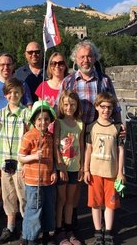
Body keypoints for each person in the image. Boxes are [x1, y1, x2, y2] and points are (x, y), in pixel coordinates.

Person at [60, 40, 123, 226]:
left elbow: (115, 106)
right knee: (75, 175)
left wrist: (119, 127)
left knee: (96, 177)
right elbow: (60, 108)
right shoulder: (68, 80)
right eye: (82, 57)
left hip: (98, 135)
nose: (86, 60)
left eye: (89, 56)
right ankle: (72, 218)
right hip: (74, 134)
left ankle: (101, 219)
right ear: (76, 59)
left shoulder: (104, 80)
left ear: (95, 58)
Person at [0, 77, 29, 245]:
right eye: (10, 92)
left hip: (21, 164)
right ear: (5, 95)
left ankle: (27, 230)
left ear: (22, 94)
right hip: (6, 162)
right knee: (8, 196)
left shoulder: (26, 113)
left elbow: (29, 137)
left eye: (17, 92)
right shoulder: (0, 114)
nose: (13, 95)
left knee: (24, 196)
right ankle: (10, 228)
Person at [83, 92, 125, 245]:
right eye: (103, 107)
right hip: (95, 172)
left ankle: (108, 231)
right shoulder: (91, 127)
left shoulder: (117, 128)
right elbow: (88, 149)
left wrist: (120, 172)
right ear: (96, 107)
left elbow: (121, 151)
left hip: (111, 173)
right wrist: (85, 169)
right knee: (95, 203)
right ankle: (97, 231)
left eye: (109, 107)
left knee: (110, 204)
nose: (106, 110)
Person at [18, 100, 57, 245]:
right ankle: (29, 236)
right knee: (33, 209)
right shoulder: (29, 135)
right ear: (34, 120)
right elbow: (20, 157)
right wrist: (34, 156)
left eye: (46, 119)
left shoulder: (49, 136)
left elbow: (52, 157)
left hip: (47, 179)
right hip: (33, 181)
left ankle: (46, 233)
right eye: (39, 119)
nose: (43, 122)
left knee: (48, 208)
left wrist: (53, 171)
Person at [54, 90, 84, 245]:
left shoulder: (80, 123)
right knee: (61, 199)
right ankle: (59, 230)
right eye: (66, 104)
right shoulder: (59, 122)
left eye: (72, 104)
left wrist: (82, 167)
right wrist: (60, 167)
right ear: (61, 105)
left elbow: (82, 146)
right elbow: (56, 145)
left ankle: (69, 228)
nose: (69, 107)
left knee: (71, 200)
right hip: (63, 168)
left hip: (75, 167)